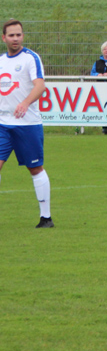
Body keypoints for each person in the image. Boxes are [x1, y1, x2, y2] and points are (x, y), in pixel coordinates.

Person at [0, 19, 52, 228]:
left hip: (27, 124)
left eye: (18, 35)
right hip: (3, 124)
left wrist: (25, 102)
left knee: (36, 169)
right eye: (11, 35)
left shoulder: (31, 58)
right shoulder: (1, 60)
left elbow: (40, 86)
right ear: (4, 38)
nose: (15, 39)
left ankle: (46, 217)